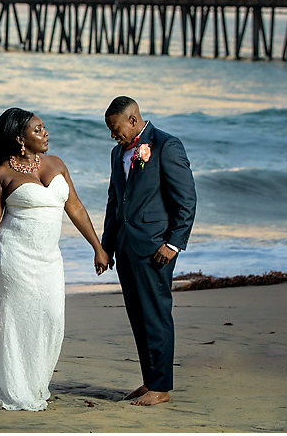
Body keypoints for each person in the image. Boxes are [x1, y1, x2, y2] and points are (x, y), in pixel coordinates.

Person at [0, 108, 109, 412]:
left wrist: (97, 247)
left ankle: (35, 382)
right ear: (20, 139)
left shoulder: (57, 164)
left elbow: (74, 207)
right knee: (13, 322)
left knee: (51, 318)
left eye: (44, 128)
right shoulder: (1, 176)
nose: (45, 133)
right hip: (12, 258)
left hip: (49, 259)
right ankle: (14, 385)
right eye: (38, 130)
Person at [101, 96, 196, 406]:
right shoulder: (117, 154)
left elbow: (186, 200)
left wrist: (173, 243)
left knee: (156, 316)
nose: (113, 136)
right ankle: (149, 380)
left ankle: (161, 387)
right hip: (126, 246)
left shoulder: (167, 145)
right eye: (110, 131)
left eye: (116, 129)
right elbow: (114, 201)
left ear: (133, 120)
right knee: (138, 317)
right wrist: (106, 246)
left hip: (156, 247)